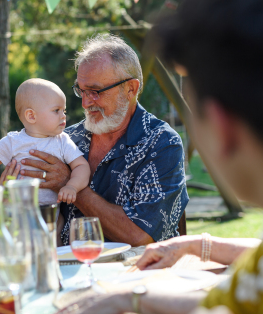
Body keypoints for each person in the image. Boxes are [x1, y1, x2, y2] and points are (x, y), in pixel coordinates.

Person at [57, 0, 263, 314]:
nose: (88, 100)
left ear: (222, 129)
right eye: (84, 91)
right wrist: (129, 299)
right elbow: (228, 305)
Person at [14, 34, 188, 246]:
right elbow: (32, 220)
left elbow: (140, 235)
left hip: (134, 274)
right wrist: (14, 191)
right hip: (67, 271)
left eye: (96, 91)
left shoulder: (161, 143)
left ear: (130, 89)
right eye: (81, 90)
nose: (86, 103)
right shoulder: (66, 138)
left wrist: (71, 185)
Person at [0, 78, 90, 208]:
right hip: (17, 209)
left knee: (56, 230)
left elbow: (81, 165)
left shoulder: (62, 141)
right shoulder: (13, 141)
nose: (63, 115)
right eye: (56, 110)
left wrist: (72, 186)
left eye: (63, 110)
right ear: (31, 116)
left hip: (50, 210)